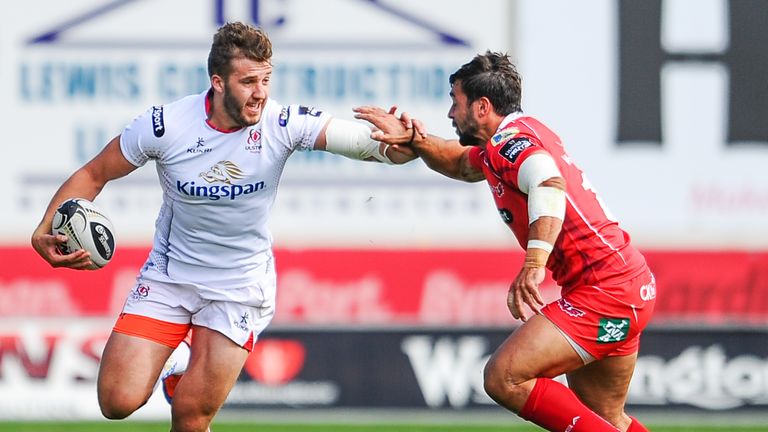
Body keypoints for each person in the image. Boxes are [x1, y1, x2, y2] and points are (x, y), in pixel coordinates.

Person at [30, 21, 415, 432]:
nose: (261, 92)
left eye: (266, 79)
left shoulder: (282, 123)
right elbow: (93, 174)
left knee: (192, 417)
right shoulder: (166, 125)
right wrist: (44, 228)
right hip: (170, 276)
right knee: (117, 401)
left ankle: (187, 365)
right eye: (248, 81)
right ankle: (178, 358)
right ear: (217, 82)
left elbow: (367, 145)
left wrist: (400, 145)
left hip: (239, 286)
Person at [354, 51, 655, 432]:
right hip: (626, 283)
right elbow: (462, 163)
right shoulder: (514, 135)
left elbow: (548, 184)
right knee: (605, 419)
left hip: (605, 291)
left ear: (481, 107)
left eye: (455, 102)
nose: (450, 113)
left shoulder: (510, 143)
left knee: (504, 377)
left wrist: (534, 264)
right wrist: (416, 139)